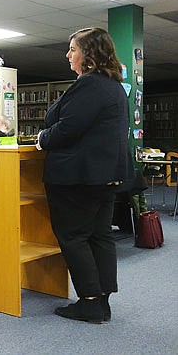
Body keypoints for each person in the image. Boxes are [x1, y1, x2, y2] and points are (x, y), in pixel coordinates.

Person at [36, 27, 134, 324]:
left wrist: (42, 138)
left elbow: (66, 127)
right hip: (105, 175)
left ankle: (89, 302)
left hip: (79, 177)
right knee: (100, 236)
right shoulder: (113, 85)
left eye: (73, 49)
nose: (68, 55)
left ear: (88, 55)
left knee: (73, 237)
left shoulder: (89, 85)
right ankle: (101, 300)